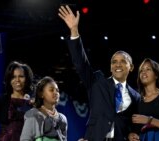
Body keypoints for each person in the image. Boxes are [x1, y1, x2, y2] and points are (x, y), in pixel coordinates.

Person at [58, 5, 141, 141]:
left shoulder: (136, 97)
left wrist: (132, 134)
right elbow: (81, 64)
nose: (117, 64)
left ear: (131, 67)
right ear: (110, 67)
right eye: (114, 62)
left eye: (122, 61)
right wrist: (74, 30)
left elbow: (134, 126)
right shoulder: (97, 82)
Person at [0, 61, 35, 141]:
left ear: (27, 78)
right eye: (13, 77)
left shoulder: (32, 104)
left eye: (21, 76)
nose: (17, 80)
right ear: (9, 80)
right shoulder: (0, 100)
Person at [20, 76, 68, 141]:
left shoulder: (63, 119)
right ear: (41, 94)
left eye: (57, 90)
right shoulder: (32, 114)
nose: (56, 93)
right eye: (51, 90)